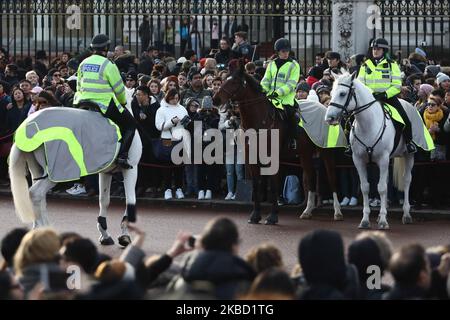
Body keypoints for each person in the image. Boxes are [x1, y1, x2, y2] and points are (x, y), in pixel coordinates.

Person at [73, 34, 136, 169]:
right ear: (106, 48)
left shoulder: (83, 63)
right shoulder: (108, 64)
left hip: (82, 103)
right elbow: (119, 89)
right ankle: (122, 156)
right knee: (130, 125)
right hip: (103, 105)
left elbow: (78, 85)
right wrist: (123, 102)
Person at [357, 38, 417, 155]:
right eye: (374, 49)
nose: (375, 51)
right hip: (369, 99)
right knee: (351, 119)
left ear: (384, 50)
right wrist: (370, 94)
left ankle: (409, 143)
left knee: (404, 120)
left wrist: (384, 94)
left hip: (388, 98)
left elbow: (396, 85)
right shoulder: (365, 65)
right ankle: (351, 145)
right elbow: (360, 84)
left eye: (378, 49)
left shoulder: (392, 65)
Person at [261, 38, 301, 149]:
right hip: (270, 99)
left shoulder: (294, 65)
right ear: (277, 51)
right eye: (283, 51)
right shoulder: (271, 64)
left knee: (292, 118)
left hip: (286, 100)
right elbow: (265, 80)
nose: (286, 53)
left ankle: (293, 140)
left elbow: (291, 84)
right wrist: (262, 90)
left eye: (287, 51)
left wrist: (277, 93)